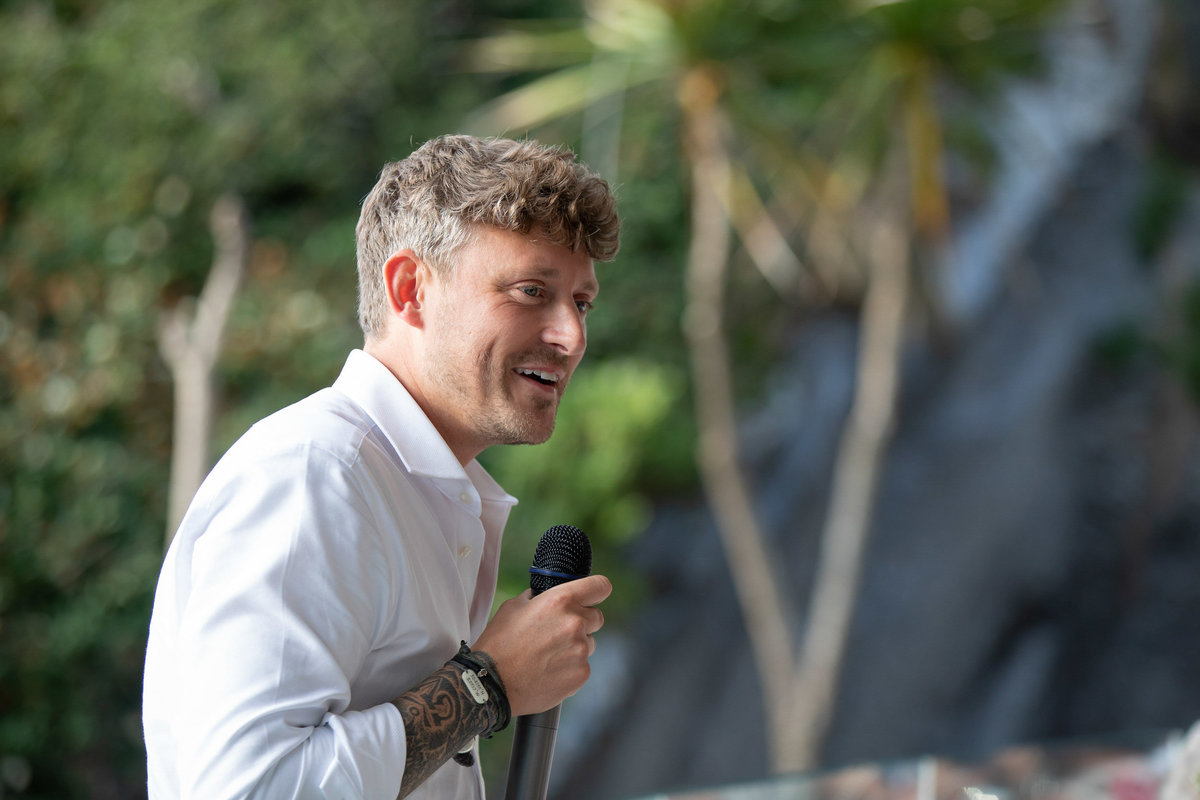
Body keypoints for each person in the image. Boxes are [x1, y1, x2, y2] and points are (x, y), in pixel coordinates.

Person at [142, 134, 620, 799]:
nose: (570, 336)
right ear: (410, 289)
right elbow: (248, 789)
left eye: (581, 302)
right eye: (532, 290)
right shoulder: (313, 477)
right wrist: (489, 683)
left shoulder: (413, 490)